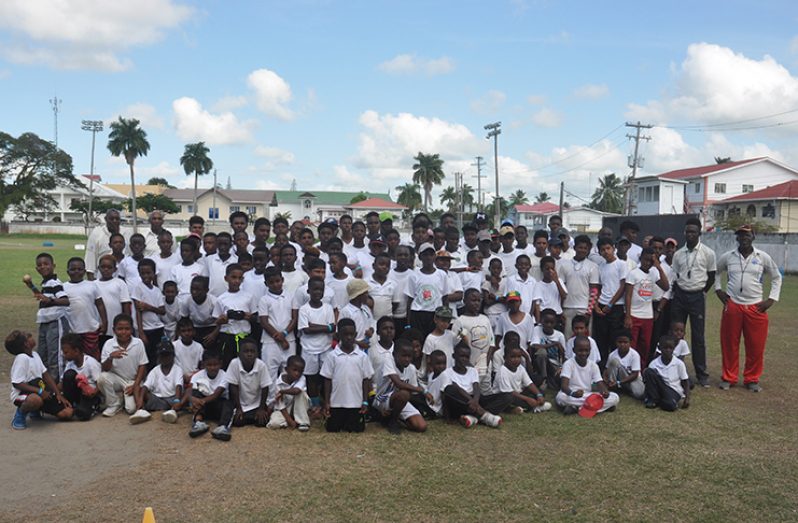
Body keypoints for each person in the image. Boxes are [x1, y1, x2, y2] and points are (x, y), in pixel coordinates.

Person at [715, 224, 782, 392]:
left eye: (747, 235)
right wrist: (718, 290)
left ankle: (752, 379)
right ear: (736, 238)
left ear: (753, 237)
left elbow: (776, 277)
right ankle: (729, 377)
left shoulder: (762, 257)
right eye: (740, 235)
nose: (744, 238)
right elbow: (715, 272)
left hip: (756, 307)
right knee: (729, 343)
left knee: (755, 345)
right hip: (733, 305)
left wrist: (771, 300)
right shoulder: (728, 257)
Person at [670, 217, 716, 387]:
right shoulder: (678, 254)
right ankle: (672, 369)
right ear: (684, 232)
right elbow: (674, 276)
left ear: (699, 233)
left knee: (698, 337)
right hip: (680, 296)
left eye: (693, 232)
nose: (690, 234)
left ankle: (701, 374)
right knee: (674, 334)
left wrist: (703, 292)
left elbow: (711, 276)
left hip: (697, 297)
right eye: (688, 231)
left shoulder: (708, 253)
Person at [6, 330, 73, 429]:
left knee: (67, 413)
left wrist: (58, 394)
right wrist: (40, 391)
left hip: (41, 393)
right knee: (35, 400)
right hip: (24, 395)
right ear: (26, 344)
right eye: (29, 336)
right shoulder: (22, 358)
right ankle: (20, 414)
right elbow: (17, 383)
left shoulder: (35, 355)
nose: (32, 337)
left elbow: (46, 375)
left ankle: (36, 410)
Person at [321, 319, 374, 433]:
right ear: (339, 335)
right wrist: (327, 402)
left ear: (355, 335)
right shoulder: (332, 356)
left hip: (355, 403)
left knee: (356, 429)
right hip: (336, 403)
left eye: (351, 334)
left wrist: (365, 401)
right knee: (333, 429)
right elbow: (327, 379)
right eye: (345, 334)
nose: (349, 337)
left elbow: (365, 380)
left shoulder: (362, 356)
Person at [441, 343, 508, 428]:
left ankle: (473, 417)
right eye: (461, 356)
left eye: (467, 357)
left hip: (474, 400)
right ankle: (484, 415)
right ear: (454, 356)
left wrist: (475, 401)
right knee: (450, 389)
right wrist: (447, 417)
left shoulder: (472, 371)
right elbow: (450, 392)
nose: (464, 359)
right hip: (459, 402)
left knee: (507, 396)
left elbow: (476, 388)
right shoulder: (447, 373)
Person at [624, 247, 669, 367]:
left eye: (650, 261)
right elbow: (628, 295)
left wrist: (658, 267)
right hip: (634, 315)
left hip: (648, 316)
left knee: (645, 346)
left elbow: (666, 286)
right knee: (632, 345)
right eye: (645, 260)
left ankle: (642, 369)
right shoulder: (633, 273)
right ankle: (631, 369)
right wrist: (627, 316)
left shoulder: (654, 273)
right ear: (641, 258)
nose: (647, 263)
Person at [298, 277, 336, 415]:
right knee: (311, 378)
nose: (317, 292)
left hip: (326, 348)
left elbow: (332, 328)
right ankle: (315, 405)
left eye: (320, 289)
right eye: (315, 289)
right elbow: (306, 329)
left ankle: (328, 402)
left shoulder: (328, 308)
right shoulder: (304, 309)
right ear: (308, 290)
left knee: (327, 377)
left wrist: (314, 326)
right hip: (309, 348)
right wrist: (325, 327)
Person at [372, 339, 428, 434]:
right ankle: (393, 422)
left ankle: (394, 417)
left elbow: (412, 392)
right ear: (394, 354)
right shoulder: (388, 361)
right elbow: (398, 383)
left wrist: (417, 390)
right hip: (383, 399)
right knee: (404, 394)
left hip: (400, 401)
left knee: (421, 426)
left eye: (409, 356)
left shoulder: (411, 368)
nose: (407, 359)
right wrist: (422, 390)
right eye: (403, 356)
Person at [98, 314, 148, 417]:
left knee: (131, 409)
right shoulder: (108, 344)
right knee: (102, 378)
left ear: (132, 329)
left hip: (133, 381)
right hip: (117, 379)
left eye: (127, 329)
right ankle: (114, 404)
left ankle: (122, 398)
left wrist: (135, 385)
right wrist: (111, 357)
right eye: (120, 329)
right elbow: (105, 368)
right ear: (114, 330)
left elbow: (142, 366)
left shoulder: (138, 343)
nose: (124, 332)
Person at [209, 264, 257, 369]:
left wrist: (247, 316)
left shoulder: (249, 297)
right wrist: (222, 319)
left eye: (239, 278)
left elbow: (255, 318)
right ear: (226, 278)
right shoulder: (221, 299)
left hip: (244, 337)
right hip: (227, 337)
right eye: (233, 277)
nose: (236, 281)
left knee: (245, 365)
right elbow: (216, 321)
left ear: (243, 279)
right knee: (227, 365)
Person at [31, 252, 71, 381]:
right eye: (40, 265)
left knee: (55, 355)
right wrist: (31, 286)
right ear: (37, 269)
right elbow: (44, 297)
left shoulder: (55, 283)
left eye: (46, 264)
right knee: (42, 354)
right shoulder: (46, 283)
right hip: (45, 322)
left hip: (56, 322)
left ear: (53, 266)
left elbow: (65, 301)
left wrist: (51, 301)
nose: (43, 267)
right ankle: (48, 383)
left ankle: (58, 384)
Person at [556, 336, 619, 415]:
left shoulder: (593, 365)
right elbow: (564, 386)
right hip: (572, 395)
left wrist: (605, 392)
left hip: (587, 395)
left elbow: (600, 383)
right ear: (574, 350)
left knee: (615, 397)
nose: (583, 353)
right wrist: (573, 393)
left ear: (590, 350)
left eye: (586, 350)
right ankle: (597, 407)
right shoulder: (568, 364)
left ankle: (576, 408)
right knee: (561, 398)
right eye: (580, 350)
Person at [259, 267, 298, 388]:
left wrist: (285, 334)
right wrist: (281, 339)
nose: (275, 284)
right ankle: (271, 403)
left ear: (282, 280)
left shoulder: (291, 296)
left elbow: (295, 318)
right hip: (270, 342)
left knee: (288, 374)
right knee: (270, 374)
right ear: (266, 284)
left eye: (277, 281)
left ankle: (286, 403)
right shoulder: (264, 300)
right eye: (271, 282)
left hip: (289, 340)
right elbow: (264, 322)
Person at [224, 338, 271, 438]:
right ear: (239, 353)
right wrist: (239, 408)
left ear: (257, 353)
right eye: (246, 351)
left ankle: (252, 415)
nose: (249, 354)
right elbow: (233, 387)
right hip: (240, 404)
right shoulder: (234, 363)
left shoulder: (261, 365)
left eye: (252, 351)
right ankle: (245, 415)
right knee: (238, 422)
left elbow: (265, 387)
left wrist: (261, 408)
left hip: (256, 404)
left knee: (262, 422)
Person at [129, 341, 185, 425]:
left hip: (172, 399)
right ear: (158, 357)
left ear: (173, 356)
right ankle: (141, 411)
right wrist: (140, 399)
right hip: (157, 399)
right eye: (162, 355)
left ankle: (173, 412)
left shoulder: (177, 369)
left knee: (184, 396)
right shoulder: (155, 370)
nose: (165, 358)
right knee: (138, 388)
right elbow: (146, 386)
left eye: (167, 355)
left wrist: (177, 400)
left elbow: (178, 386)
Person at [64, 257, 107, 363]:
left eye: (79, 269)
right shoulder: (63, 287)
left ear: (84, 271)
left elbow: (100, 304)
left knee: (92, 357)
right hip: (73, 330)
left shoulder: (92, 285)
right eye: (73, 269)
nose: (76, 272)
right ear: (67, 271)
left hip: (90, 329)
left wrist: (104, 322)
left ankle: (92, 377)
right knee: (74, 358)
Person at [592, 237, 628, 365]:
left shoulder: (621, 264)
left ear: (613, 248)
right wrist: (596, 305)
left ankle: (614, 368)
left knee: (614, 340)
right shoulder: (600, 266)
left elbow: (623, 287)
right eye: (603, 250)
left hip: (616, 307)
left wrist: (610, 303)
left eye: (608, 248)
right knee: (601, 340)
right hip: (602, 306)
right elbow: (599, 287)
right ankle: (602, 368)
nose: (606, 252)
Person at [452, 288, 494, 393]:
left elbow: (492, 343)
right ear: (465, 301)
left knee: (486, 390)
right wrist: (468, 364)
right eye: (473, 300)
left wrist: (486, 362)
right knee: (471, 391)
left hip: (485, 363)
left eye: (479, 300)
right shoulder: (460, 321)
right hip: (469, 365)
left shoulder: (485, 319)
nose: (476, 303)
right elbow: (456, 344)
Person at [558, 235, 600, 340]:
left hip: (584, 308)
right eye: (580, 247)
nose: (582, 250)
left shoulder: (593, 266)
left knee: (585, 339)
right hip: (568, 307)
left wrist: (589, 311)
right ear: (575, 248)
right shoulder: (564, 264)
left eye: (585, 248)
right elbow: (561, 288)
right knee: (568, 338)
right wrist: (561, 309)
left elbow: (594, 290)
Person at [492, 343, 550, 414]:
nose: (516, 359)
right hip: (505, 396)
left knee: (540, 392)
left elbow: (529, 384)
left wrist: (539, 395)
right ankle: (532, 407)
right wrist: (528, 399)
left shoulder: (520, 368)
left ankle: (531, 406)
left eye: (519, 357)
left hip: (518, 394)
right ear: (505, 358)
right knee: (510, 399)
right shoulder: (502, 372)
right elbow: (509, 392)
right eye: (513, 357)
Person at [186, 350, 233, 439]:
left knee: (228, 403)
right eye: (209, 365)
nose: (212, 368)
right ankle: (198, 423)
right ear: (203, 364)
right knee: (195, 392)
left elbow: (216, 394)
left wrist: (201, 401)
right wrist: (192, 399)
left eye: (215, 365)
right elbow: (189, 390)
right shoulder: (198, 375)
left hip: (218, 406)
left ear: (221, 364)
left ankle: (222, 427)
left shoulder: (225, 375)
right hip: (204, 408)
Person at [406, 243, 447, 337]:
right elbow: (409, 300)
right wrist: (408, 323)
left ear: (434, 257)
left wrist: (445, 318)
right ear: (420, 257)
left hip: (435, 315)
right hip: (418, 314)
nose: (428, 257)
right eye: (425, 255)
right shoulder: (413, 275)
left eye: (431, 254)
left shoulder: (441, 275)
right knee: (418, 339)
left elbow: (445, 299)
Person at [130, 258, 166, 368]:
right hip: (145, 330)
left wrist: (148, 307)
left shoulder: (157, 290)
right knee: (145, 357)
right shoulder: (138, 288)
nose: (146, 276)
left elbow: (162, 311)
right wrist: (141, 332)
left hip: (157, 328)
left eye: (148, 273)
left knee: (157, 356)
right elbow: (138, 311)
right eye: (142, 273)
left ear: (154, 273)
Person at [60, 332, 101, 421]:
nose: (64, 355)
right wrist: (58, 394)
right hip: (77, 393)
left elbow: (100, 383)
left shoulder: (91, 362)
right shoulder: (70, 364)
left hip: (89, 395)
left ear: (76, 351)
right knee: (69, 374)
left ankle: (93, 406)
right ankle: (71, 404)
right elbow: (63, 382)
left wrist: (93, 393)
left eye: (66, 352)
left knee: (83, 414)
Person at [643, 335, 690, 411]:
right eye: (665, 348)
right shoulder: (654, 363)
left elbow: (685, 381)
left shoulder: (679, 363)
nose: (668, 350)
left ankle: (663, 401)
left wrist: (687, 398)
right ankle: (653, 399)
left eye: (670, 348)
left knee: (671, 406)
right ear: (659, 348)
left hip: (673, 391)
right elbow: (650, 382)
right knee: (648, 372)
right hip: (659, 389)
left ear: (674, 348)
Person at [95, 254, 132, 348]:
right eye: (103, 267)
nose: (106, 269)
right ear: (98, 268)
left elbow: (126, 304)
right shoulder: (93, 285)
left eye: (109, 267)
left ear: (115, 269)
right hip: (99, 326)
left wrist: (127, 323)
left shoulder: (119, 283)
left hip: (116, 326)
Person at [267, 355, 311, 431]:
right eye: (295, 370)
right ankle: (291, 421)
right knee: (274, 423)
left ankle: (303, 422)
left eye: (300, 371)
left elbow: (296, 391)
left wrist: (282, 391)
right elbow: (281, 406)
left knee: (301, 393)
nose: (297, 373)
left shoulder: (302, 378)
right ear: (286, 369)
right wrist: (290, 421)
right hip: (285, 410)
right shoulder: (278, 383)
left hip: (298, 408)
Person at [530, 308, 566, 390]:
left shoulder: (559, 335)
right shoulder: (537, 329)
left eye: (551, 322)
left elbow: (564, 354)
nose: (549, 325)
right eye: (546, 322)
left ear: (555, 323)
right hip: (541, 363)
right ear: (541, 321)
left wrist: (562, 367)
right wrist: (554, 344)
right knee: (541, 352)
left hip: (554, 365)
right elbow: (534, 346)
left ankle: (551, 381)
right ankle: (544, 379)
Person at [603, 330, 645, 400]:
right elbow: (606, 369)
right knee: (614, 362)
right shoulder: (612, 355)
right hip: (618, 380)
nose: (622, 344)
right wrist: (605, 380)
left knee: (639, 394)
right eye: (620, 342)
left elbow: (635, 374)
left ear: (630, 343)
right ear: (616, 342)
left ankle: (623, 388)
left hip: (632, 379)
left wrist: (619, 382)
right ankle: (614, 387)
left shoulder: (634, 355)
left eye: (625, 342)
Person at [85, 209, 125, 280]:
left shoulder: (126, 233)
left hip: (122, 277)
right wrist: (92, 282)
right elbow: (90, 261)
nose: (114, 221)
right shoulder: (96, 234)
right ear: (106, 219)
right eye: (111, 219)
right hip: (101, 277)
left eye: (117, 219)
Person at [339, 279, 376, 353]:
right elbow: (341, 334)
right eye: (365, 293)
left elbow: (372, 323)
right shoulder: (346, 311)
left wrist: (371, 330)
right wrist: (359, 343)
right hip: (352, 348)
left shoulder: (366, 308)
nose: (367, 295)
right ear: (358, 295)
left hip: (366, 346)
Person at [180, 276, 217, 347]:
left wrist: (213, 335)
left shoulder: (214, 302)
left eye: (198, 289)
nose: (194, 292)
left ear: (206, 290)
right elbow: (184, 320)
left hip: (212, 328)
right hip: (195, 329)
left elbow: (220, 323)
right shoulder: (186, 301)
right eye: (192, 288)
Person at [532, 256, 567, 324]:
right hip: (544, 316)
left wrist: (557, 282)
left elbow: (564, 296)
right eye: (547, 269)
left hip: (557, 315)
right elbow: (537, 305)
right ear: (542, 269)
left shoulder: (559, 281)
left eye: (552, 268)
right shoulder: (538, 285)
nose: (550, 271)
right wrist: (538, 321)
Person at [388, 245, 413, 332]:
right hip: (390, 317)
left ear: (410, 257)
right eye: (400, 255)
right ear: (395, 256)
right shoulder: (388, 274)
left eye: (406, 255)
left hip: (406, 318)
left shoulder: (413, 275)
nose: (403, 257)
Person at [205, 232, 238, 297]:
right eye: (220, 244)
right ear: (216, 244)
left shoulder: (236, 260)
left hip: (231, 297)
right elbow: (205, 279)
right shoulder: (209, 260)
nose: (223, 247)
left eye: (225, 244)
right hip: (212, 297)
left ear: (231, 245)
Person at [367, 253, 396, 321]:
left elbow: (394, 304)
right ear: (373, 266)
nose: (384, 267)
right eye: (381, 264)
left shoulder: (393, 284)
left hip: (387, 321)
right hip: (370, 321)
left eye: (387, 265)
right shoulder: (366, 283)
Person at [173, 318, 203, 382]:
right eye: (183, 331)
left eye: (189, 330)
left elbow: (202, 366)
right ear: (179, 332)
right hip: (178, 377)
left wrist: (194, 376)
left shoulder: (199, 346)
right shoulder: (174, 346)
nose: (186, 333)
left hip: (195, 378)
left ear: (193, 331)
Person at [481, 258, 507, 330]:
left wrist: (495, 298)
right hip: (491, 313)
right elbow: (487, 302)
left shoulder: (506, 282)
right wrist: (501, 299)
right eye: (494, 268)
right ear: (489, 268)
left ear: (501, 269)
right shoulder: (486, 283)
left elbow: (507, 299)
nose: (496, 270)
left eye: (498, 268)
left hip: (504, 312)